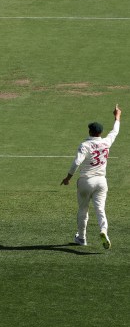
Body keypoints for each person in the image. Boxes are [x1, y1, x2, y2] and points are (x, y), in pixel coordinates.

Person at [61, 104, 121, 249]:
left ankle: (82, 238)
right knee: (100, 209)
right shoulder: (106, 142)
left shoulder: (85, 145)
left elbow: (76, 162)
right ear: (100, 133)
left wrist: (68, 178)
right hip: (101, 181)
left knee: (83, 210)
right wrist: (117, 116)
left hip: (85, 181)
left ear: (90, 131)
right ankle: (103, 230)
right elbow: (115, 131)